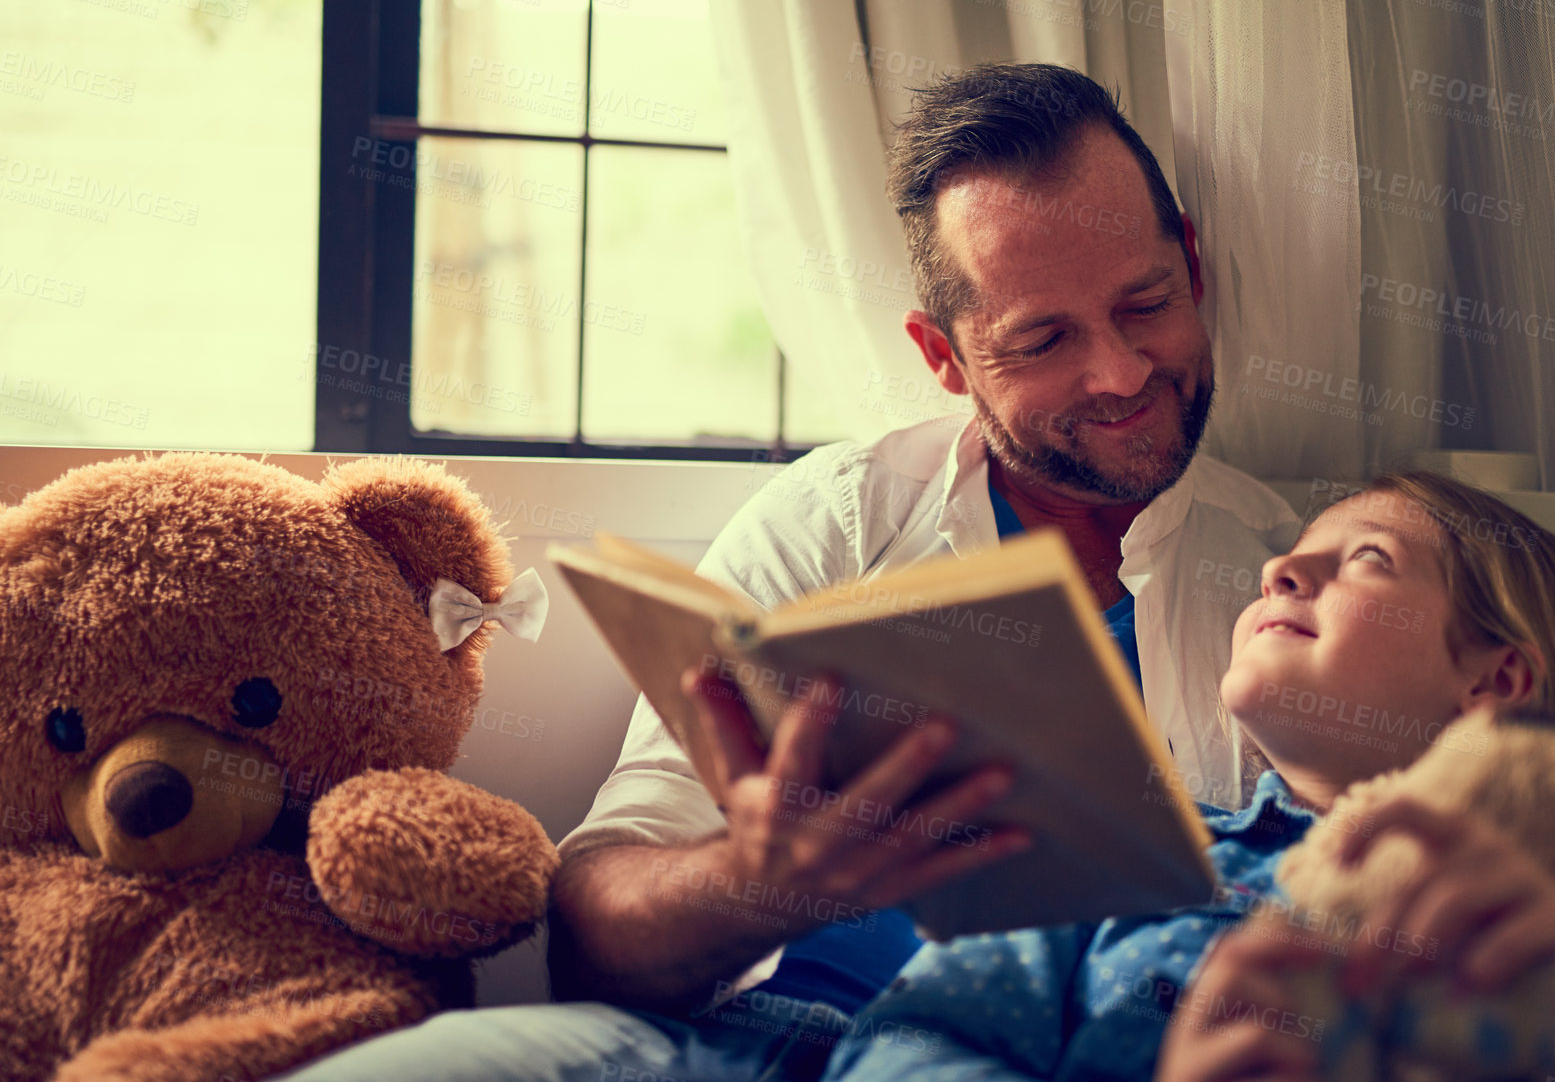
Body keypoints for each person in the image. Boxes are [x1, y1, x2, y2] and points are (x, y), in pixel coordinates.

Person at [283, 63, 1297, 1082]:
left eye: (1146, 305)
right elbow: (591, 940)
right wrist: (754, 881)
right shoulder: (836, 522)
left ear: (1194, 268)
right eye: (1043, 339)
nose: (1120, 373)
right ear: (944, 359)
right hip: (731, 1052)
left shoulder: (1293, 580)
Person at [819, 470, 1555, 1082]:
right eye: (1290, 556)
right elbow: (900, 1046)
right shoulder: (1115, 856)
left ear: (1492, 683)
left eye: (1367, 558)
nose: (1277, 572)